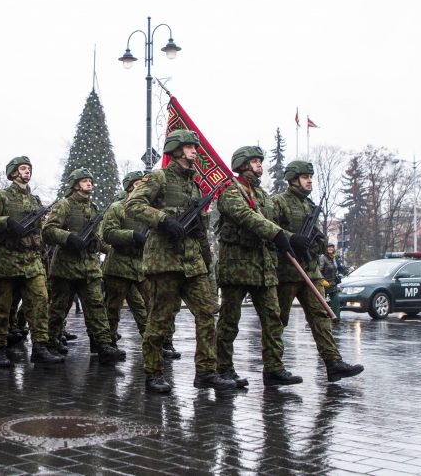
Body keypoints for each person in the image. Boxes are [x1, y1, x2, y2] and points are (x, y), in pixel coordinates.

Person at [126, 129, 236, 393]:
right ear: (176, 149)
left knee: (207, 313)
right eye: (190, 147)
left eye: (195, 148)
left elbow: (200, 227)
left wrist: (207, 261)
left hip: (192, 262)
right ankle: (153, 373)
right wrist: (163, 220)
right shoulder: (159, 177)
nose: (195, 152)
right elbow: (133, 205)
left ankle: (206, 371)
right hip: (164, 261)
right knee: (160, 319)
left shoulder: (195, 184)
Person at [215, 146, 302, 388]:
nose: (259, 165)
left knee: (274, 319)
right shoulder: (230, 191)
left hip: (264, 268)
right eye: (254, 161)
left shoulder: (261, 195)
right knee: (229, 321)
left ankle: (274, 369)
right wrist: (277, 233)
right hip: (237, 268)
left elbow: (270, 222)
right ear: (243, 164)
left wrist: (290, 238)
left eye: (260, 161)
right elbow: (245, 216)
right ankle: (223, 368)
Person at [272, 160, 364, 382]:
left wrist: (318, 242)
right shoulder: (279, 202)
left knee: (321, 317)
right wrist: (293, 239)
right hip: (288, 272)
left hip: (311, 271)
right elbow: (271, 229)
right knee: (277, 320)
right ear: (293, 179)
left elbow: (316, 237)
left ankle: (333, 363)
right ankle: (274, 368)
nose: (309, 181)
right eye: (305, 177)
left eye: (310, 177)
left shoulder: (309, 205)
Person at [0, 156, 63, 367]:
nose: (27, 171)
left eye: (29, 168)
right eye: (22, 168)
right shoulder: (2, 196)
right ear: (13, 173)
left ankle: (40, 346)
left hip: (30, 259)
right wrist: (7, 222)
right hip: (6, 259)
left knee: (39, 301)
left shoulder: (35, 200)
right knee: (2, 306)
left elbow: (39, 229)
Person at [42, 168, 122, 363]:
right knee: (58, 309)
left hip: (89, 267)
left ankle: (103, 344)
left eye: (90, 181)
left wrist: (110, 249)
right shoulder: (64, 205)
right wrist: (69, 237)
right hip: (65, 268)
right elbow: (48, 230)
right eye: (85, 181)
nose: (89, 184)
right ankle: (51, 344)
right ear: (76, 184)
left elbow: (96, 237)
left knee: (96, 306)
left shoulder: (93, 208)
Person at [101, 171, 151, 346]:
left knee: (151, 305)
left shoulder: (149, 209)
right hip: (118, 265)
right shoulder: (117, 207)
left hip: (142, 265)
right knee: (113, 308)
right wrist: (132, 235)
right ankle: (109, 342)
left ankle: (154, 342)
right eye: (139, 183)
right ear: (130, 187)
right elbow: (107, 234)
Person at [319, 244, 343, 321]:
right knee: (321, 302)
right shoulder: (323, 258)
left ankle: (336, 318)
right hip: (324, 283)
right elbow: (319, 270)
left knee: (336, 301)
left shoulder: (334, 258)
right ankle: (319, 318)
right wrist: (322, 280)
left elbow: (336, 270)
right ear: (326, 249)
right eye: (329, 247)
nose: (330, 248)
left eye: (332, 247)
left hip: (333, 283)